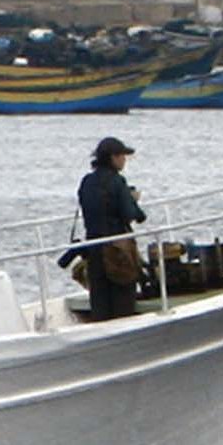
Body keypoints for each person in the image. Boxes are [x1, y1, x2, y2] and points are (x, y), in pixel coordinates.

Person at [75, 136, 146, 322]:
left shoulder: (86, 182)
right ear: (113, 158)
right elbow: (130, 214)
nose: (125, 160)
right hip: (117, 252)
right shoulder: (117, 182)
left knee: (100, 303)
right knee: (122, 303)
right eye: (123, 156)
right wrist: (133, 200)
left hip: (93, 250)